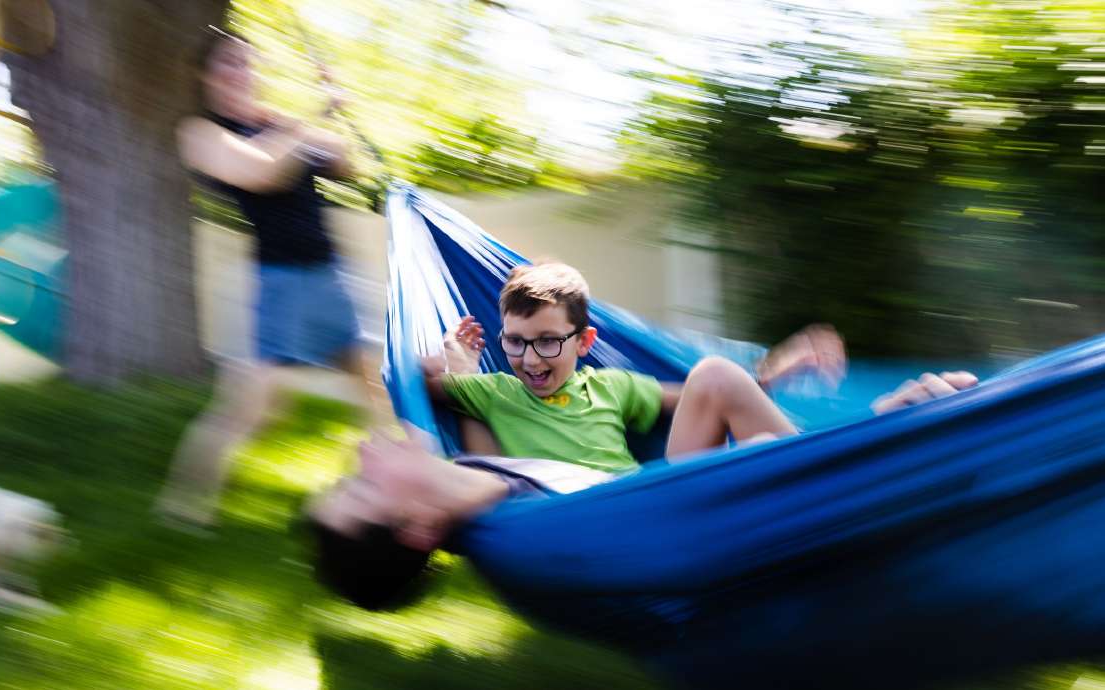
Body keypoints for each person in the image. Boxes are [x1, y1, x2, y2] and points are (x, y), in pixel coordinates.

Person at [309, 370, 980, 610]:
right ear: (420, 529)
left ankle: (868, 433)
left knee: (716, 380)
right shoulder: (530, 540)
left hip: (673, 490)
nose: (363, 452)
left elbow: (492, 436)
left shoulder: (472, 483)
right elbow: (689, 548)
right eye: (362, 486)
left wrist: (452, 377)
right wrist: (878, 432)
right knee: (941, 407)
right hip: (699, 514)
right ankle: (876, 438)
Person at [157, 27, 377, 526]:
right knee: (251, 409)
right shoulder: (203, 133)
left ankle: (385, 486)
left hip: (330, 273)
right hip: (280, 282)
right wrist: (311, 123)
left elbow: (347, 166)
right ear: (205, 75)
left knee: (374, 387)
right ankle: (183, 508)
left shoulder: (280, 124)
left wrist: (336, 106)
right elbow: (262, 173)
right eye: (228, 63)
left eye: (247, 62)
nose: (241, 72)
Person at [423, 262, 847, 470]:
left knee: (716, 373)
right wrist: (461, 356)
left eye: (549, 341)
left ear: (584, 342)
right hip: (591, 518)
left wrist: (775, 370)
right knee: (755, 456)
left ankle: (827, 471)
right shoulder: (497, 391)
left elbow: (701, 397)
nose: (530, 359)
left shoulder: (612, 386)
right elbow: (429, 378)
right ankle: (815, 471)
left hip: (649, 500)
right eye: (515, 342)